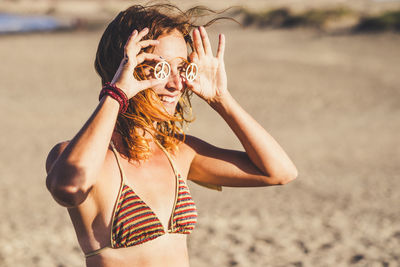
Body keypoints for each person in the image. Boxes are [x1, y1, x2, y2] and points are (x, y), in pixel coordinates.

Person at [45, 4, 298, 267]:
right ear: (123, 67)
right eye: (159, 68)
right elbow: (69, 188)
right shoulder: (72, 155)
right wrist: (116, 93)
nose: (176, 84)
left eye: (182, 68)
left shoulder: (178, 152)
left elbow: (280, 172)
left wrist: (222, 99)